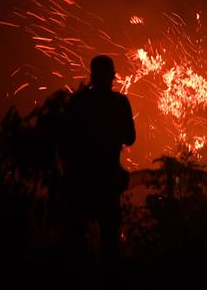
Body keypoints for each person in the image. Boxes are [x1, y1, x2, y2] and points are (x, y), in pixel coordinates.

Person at [63, 55, 136, 264]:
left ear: (92, 76)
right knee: (110, 243)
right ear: (112, 76)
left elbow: (66, 140)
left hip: (81, 181)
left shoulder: (78, 102)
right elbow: (130, 138)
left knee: (76, 242)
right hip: (108, 181)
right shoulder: (119, 103)